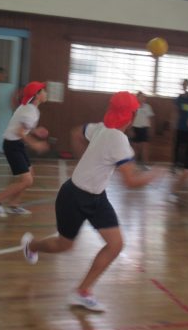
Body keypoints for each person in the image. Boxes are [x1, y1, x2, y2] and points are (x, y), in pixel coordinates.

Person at [20, 91, 162, 312]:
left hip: (96, 197)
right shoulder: (119, 141)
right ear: (131, 116)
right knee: (64, 245)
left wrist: (85, 158)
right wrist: (155, 174)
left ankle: (82, 291)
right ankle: (32, 245)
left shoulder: (100, 127)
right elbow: (131, 181)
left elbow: (76, 132)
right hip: (75, 197)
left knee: (115, 244)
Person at [0, 81, 49, 217]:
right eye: (43, 90)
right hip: (12, 145)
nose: (46, 93)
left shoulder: (30, 108)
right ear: (37, 95)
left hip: (17, 144)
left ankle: (14, 205)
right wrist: (35, 144)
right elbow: (19, 132)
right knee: (27, 180)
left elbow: (23, 127)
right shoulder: (30, 111)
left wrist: (36, 131)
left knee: (30, 175)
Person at [172, 79, 188, 170]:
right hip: (180, 126)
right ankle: (175, 164)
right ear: (182, 85)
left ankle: (186, 165)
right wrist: (174, 122)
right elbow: (175, 110)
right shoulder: (179, 98)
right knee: (178, 145)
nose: (185, 86)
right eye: (183, 84)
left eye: (186, 84)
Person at [130, 91, 155, 167]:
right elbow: (130, 119)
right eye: (141, 96)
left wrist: (151, 129)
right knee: (135, 148)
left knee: (145, 147)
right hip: (135, 128)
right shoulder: (133, 106)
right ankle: (134, 164)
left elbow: (150, 119)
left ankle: (145, 164)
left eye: (144, 97)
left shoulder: (147, 107)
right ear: (137, 97)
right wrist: (130, 129)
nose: (143, 98)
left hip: (144, 129)